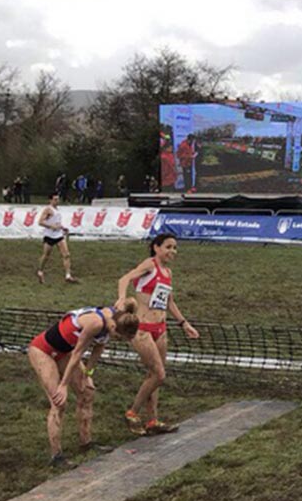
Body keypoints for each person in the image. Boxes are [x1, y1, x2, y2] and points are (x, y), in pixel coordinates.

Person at [27, 301, 140, 468]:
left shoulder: (114, 319)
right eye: (118, 337)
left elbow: (98, 348)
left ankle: (86, 442)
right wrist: (63, 385)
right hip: (44, 351)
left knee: (87, 393)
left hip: (65, 351)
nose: (116, 339)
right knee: (59, 402)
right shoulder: (95, 323)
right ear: (114, 327)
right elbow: (78, 353)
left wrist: (88, 374)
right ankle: (56, 456)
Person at [116, 232, 200, 435]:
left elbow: (169, 302)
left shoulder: (168, 273)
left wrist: (184, 323)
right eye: (168, 247)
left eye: (175, 248)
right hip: (143, 329)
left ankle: (152, 420)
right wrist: (121, 298)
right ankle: (132, 413)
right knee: (160, 375)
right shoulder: (149, 265)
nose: (173, 251)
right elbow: (125, 278)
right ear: (156, 248)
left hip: (160, 329)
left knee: (154, 375)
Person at [37, 194, 78, 284]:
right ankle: (40, 271)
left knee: (66, 254)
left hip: (59, 235)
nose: (57, 201)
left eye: (58, 199)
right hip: (49, 236)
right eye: (55, 199)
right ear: (50, 200)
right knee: (46, 255)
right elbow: (40, 222)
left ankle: (68, 275)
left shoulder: (57, 210)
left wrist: (63, 228)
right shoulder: (48, 209)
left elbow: (57, 222)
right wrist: (51, 226)